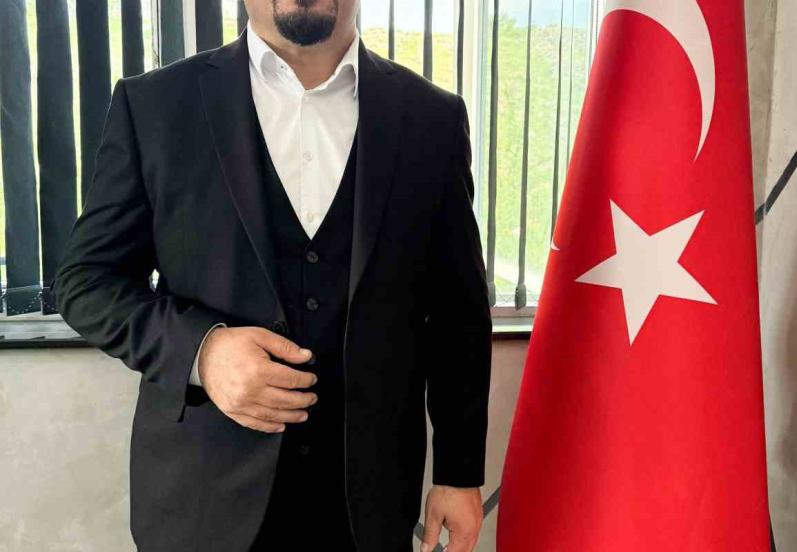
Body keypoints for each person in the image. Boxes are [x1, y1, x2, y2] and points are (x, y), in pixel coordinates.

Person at [52, 0, 491, 550]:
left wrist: (457, 472)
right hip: (202, 507)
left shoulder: (432, 119)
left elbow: (457, 313)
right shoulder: (155, 106)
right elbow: (86, 282)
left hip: (368, 506)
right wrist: (202, 352)